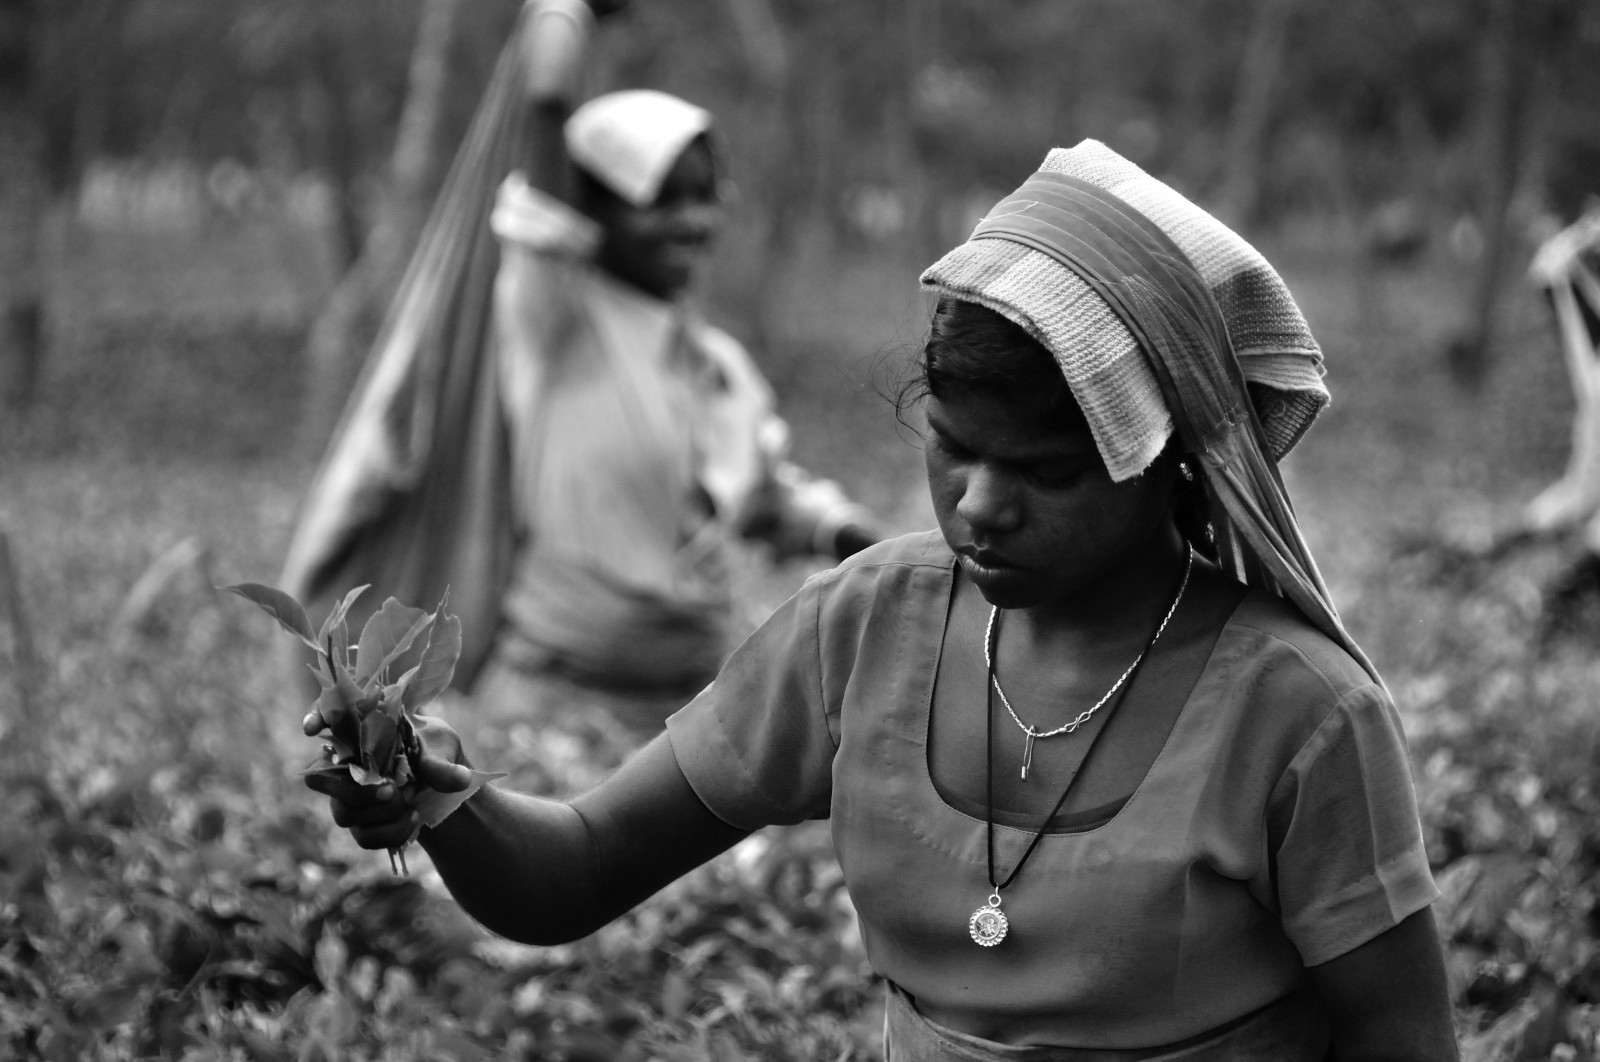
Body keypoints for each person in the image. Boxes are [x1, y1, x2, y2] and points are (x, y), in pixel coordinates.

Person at [306, 140, 1458, 1059]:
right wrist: (440, 794)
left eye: (1048, 472)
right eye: (952, 448)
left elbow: (1400, 1037)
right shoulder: (867, 627)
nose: (980, 507)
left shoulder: (1299, 715)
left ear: (1165, 458)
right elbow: (580, 869)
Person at [281, 0, 881, 757]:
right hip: (558, 709)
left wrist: (848, 530)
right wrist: (567, 9)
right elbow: (545, 101)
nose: (693, 222)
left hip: (701, 708)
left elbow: (761, 493)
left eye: (704, 196)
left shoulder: (715, 363)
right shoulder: (554, 318)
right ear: (590, 210)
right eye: (659, 199)